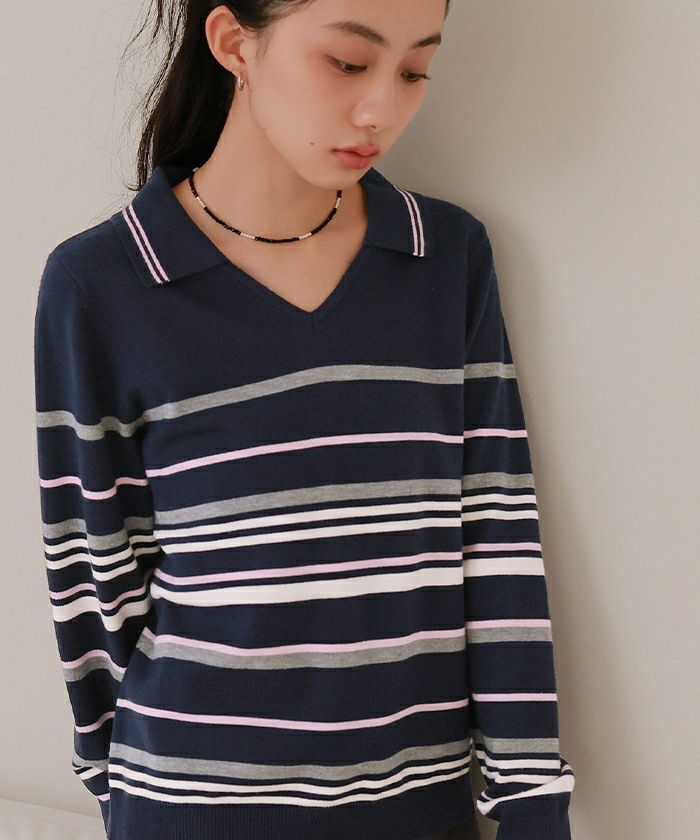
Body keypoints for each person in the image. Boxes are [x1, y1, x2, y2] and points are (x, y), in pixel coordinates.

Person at [32, 2, 576, 839]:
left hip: (419, 810)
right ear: (234, 42)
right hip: (191, 806)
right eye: (348, 63)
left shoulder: (444, 258)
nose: (382, 109)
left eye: (415, 70)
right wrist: (115, 793)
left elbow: (497, 541)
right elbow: (93, 575)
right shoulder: (101, 283)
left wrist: (532, 800)